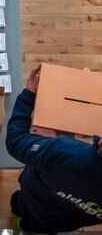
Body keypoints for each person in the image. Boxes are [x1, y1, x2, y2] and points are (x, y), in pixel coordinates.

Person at [7, 65, 102, 234]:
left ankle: (20, 220)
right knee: (40, 226)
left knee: (19, 208)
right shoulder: (64, 152)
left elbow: (16, 141)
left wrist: (28, 96)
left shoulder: (61, 152)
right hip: (67, 221)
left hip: (33, 198)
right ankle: (25, 227)